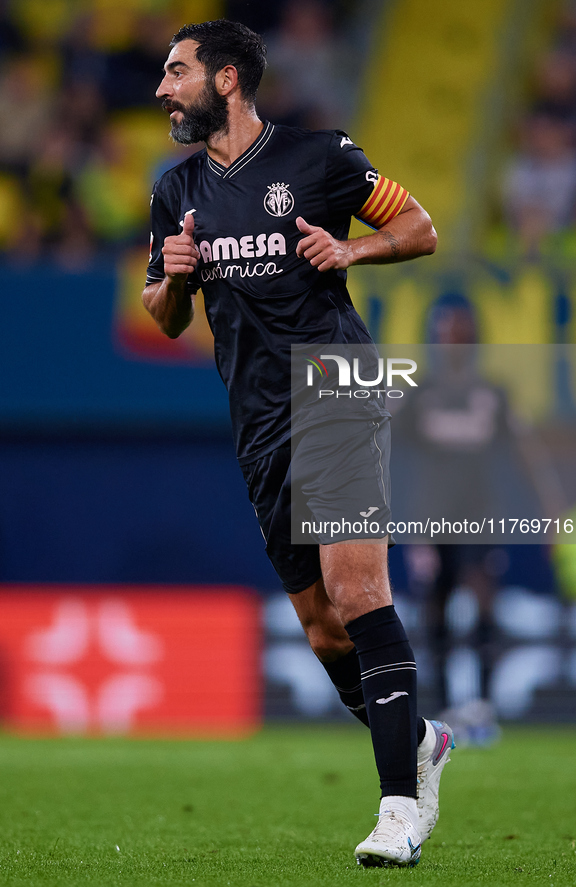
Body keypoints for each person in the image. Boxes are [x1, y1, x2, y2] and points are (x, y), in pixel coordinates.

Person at [141, 19, 452, 868]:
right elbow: (164, 319)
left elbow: (420, 227)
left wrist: (349, 246)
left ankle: (399, 807)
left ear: (229, 78)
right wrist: (173, 275)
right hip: (259, 416)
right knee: (321, 629)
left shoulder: (318, 158)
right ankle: (419, 738)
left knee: (356, 592)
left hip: (338, 385)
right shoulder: (176, 190)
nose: (163, 89)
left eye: (177, 72)